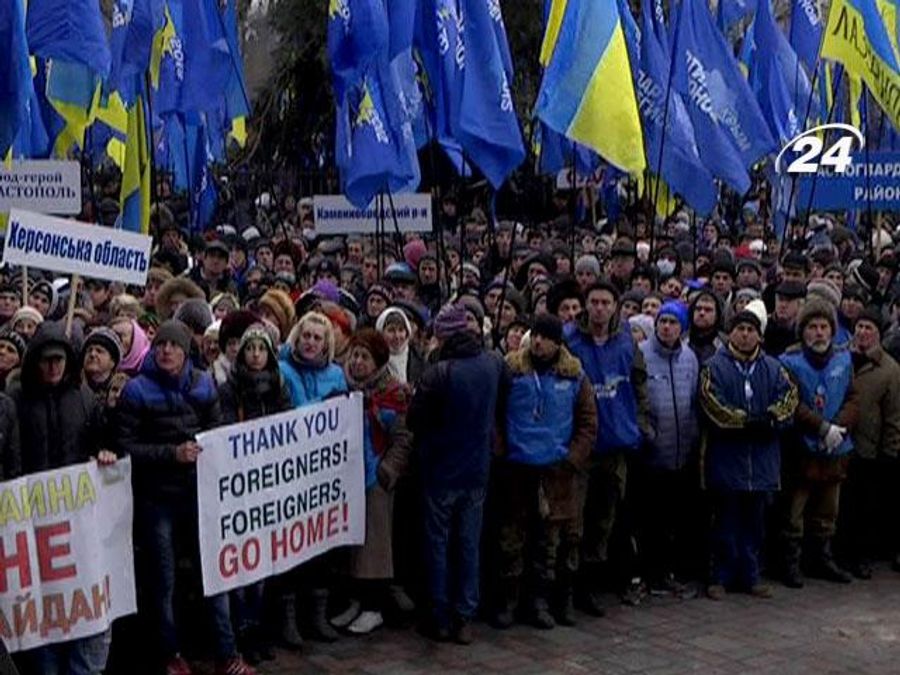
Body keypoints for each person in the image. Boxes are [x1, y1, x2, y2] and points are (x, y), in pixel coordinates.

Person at [114, 320, 255, 675]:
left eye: (174, 345)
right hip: (156, 499)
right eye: (161, 345)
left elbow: (217, 432)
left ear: (185, 350)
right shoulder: (136, 391)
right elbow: (126, 447)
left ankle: (227, 653)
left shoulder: (204, 384)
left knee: (214, 574)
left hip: (198, 496)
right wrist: (171, 454)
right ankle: (171, 654)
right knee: (163, 581)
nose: (167, 351)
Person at [9, 322, 115, 674]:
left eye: (59, 360)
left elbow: (104, 439)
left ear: (69, 362)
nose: (53, 367)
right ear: (35, 362)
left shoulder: (84, 399)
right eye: (46, 360)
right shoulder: (17, 403)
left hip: (79, 525)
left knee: (81, 604)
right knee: (44, 609)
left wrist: (105, 454)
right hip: (35, 525)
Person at [408, 303, 508, 644]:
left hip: (441, 470)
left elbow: (415, 420)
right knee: (469, 544)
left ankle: (439, 615)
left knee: (437, 544)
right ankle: (465, 614)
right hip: (477, 468)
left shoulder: (439, 373)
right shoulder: (493, 363)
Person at [494, 315, 596, 630]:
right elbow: (495, 415)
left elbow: (588, 423)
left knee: (548, 542)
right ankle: (508, 601)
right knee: (512, 538)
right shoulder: (511, 371)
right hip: (517, 467)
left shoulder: (575, 375)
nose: (538, 342)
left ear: (557, 342)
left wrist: (571, 459)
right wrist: (501, 450)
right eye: (535, 335)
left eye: (546, 337)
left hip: (556, 473)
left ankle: (540, 602)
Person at [699, 306, 798, 600]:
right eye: (740, 329)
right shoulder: (714, 366)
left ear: (759, 335)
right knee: (725, 522)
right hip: (727, 460)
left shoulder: (774, 367)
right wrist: (741, 421)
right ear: (731, 333)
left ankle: (751, 575)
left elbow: (789, 398)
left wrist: (771, 418)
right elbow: (709, 400)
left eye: (750, 330)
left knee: (755, 524)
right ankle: (721, 576)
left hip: (763, 462)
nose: (744, 335)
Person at [565, 279, 650, 612]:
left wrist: (641, 427)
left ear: (615, 306)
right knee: (575, 521)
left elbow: (640, 388)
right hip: (583, 447)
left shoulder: (628, 342)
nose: (599, 308)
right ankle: (569, 588)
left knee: (605, 519)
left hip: (617, 445)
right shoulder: (570, 341)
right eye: (594, 302)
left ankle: (590, 583)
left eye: (605, 302)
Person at [218, 322, 291, 664]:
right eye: (250, 349)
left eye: (261, 349)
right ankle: (242, 629)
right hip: (240, 488)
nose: (256, 355)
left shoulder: (279, 387)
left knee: (264, 563)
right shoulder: (230, 389)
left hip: (270, 486)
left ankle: (258, 625)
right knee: (241, 561)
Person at [277, 311, 348, 645]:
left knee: (321, 545)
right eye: (306, 335)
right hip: (290, 474)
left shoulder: (336, 374)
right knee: (291, 545)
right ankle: (288, 621)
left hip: (323, 475)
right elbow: (288, 414)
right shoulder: (282, 370)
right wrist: (323, 406)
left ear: (326, 344)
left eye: (318, 338)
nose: (310, 342)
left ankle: (316, 617)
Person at [779, 298, 859, 588]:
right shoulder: (789, 361)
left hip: (837, 446)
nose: (819, 333)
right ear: (803, 331)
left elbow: (852, 397)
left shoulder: (843, 359)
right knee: (795, 511)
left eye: (824, 326)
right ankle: (791, 562)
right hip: (803, 446)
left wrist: (839, 426)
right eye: (812, 327)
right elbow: (793, 403)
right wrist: (821, 427)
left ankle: (821, 559)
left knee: (828, 509)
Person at [339, 329, 412, 635]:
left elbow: (403, 439)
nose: (357, 362)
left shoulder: (393, 394)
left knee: (375, 547)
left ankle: (375, 606)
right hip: (348, 479)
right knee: (353, 546)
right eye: (354, 355)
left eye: (364, 357)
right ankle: (356, 599)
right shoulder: (344, 388)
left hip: (377, 479)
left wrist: (387, 471)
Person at [636, 302, 700, 593]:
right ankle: (650, 572)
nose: (667, 327)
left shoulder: (689, 358)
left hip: (682, 451)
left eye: (674, 323)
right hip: (652, 452)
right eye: (662, 321)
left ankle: (670, 571)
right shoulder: (642, 355)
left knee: (676, 517)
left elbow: (694, 399)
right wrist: (647, 433)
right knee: (651, 518)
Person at [838, 309, 900, 579]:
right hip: (838, 443)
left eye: (869, 328)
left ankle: (861, 556)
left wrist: (890, 451)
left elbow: (894, 415)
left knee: (864, 507)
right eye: (860, 327)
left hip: (868, 448)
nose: (863, 332)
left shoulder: (890, 369)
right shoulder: (841, 358)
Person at [375, 307, 424, 386]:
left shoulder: (418, 358)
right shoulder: (375, 360)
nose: (397, 336)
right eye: (391, 330)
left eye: (401, 330)